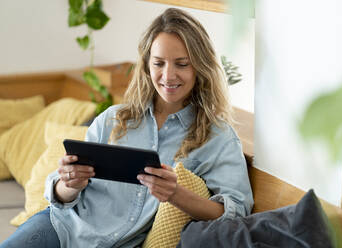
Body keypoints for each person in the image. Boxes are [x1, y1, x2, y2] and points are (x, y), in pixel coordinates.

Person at [0, 8, 253, 248]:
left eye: (182, 63)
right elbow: (60, 197)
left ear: (200, 66)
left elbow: (235, 212)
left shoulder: (217, 136)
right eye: (159, 63)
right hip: (61, 227)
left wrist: (176, 194)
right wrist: (68, 184)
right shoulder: (112, 119)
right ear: (146, 65)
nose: (168, 75)